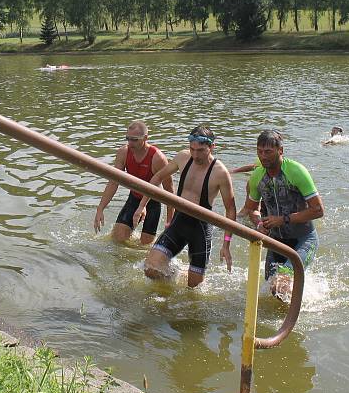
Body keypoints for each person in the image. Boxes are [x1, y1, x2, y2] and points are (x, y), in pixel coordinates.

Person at [133, 125, 236, 288]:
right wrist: (142, 206)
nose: (195, 154)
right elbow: (158, 177)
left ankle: (185, 278)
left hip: (200, 229)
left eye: (200, 150)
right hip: (179, 223)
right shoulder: (183, 157)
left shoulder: (220, 173)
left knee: (193, 289)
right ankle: (173, 276)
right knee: (151, 269)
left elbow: (230, 209)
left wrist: (226, 244)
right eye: (192, 149)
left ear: (212, 147)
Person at [242, 130, 324, 300]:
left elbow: (318, 210)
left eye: (268, 152)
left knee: (280, 284)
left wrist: (283, 219)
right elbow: (251, 208)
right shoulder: (257, 176)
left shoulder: (296, 171)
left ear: (280, 150)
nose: (263, 156)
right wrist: (258, 224)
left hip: (303, 239)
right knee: (274, 292)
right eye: (259, 151)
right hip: (276, 241)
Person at [94, 121, 174, 245]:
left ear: (145, 138)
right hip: (135, 198)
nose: (130, 143)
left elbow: (170, 191)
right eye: (128, 139)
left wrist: (170, 222)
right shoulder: (123, 152)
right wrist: (100, 208)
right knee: (117, 239)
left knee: (144, 246)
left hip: (153, 202)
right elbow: (113, 182)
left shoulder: (158, 158)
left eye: (134, 140)